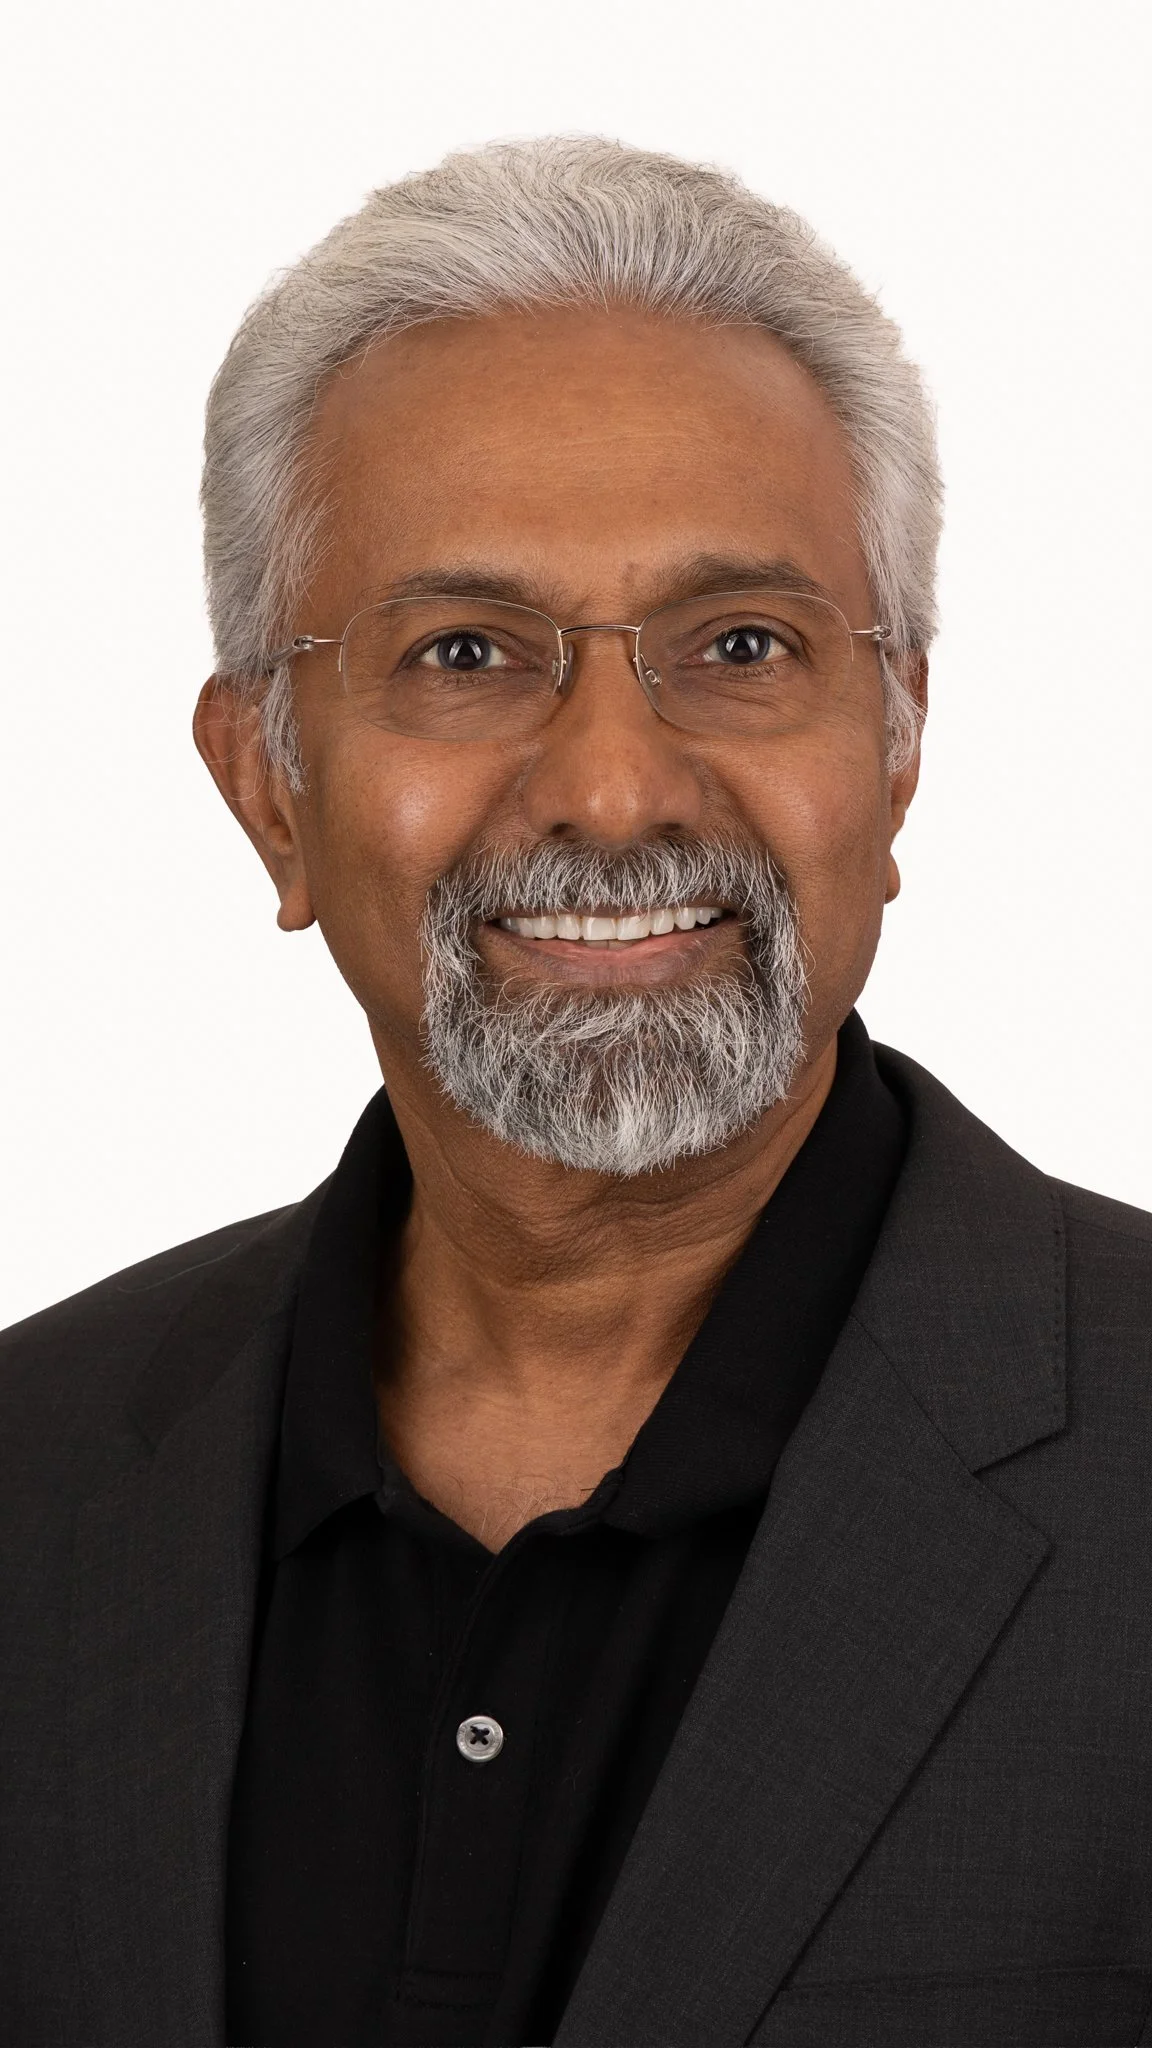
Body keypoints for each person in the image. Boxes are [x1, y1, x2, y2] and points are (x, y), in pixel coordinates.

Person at [4, 136, 1152, 2048]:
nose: (616, 791)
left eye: (742, 648)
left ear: (898, 748)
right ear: (266, 786)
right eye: (466, 653)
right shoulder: (28, 1487)